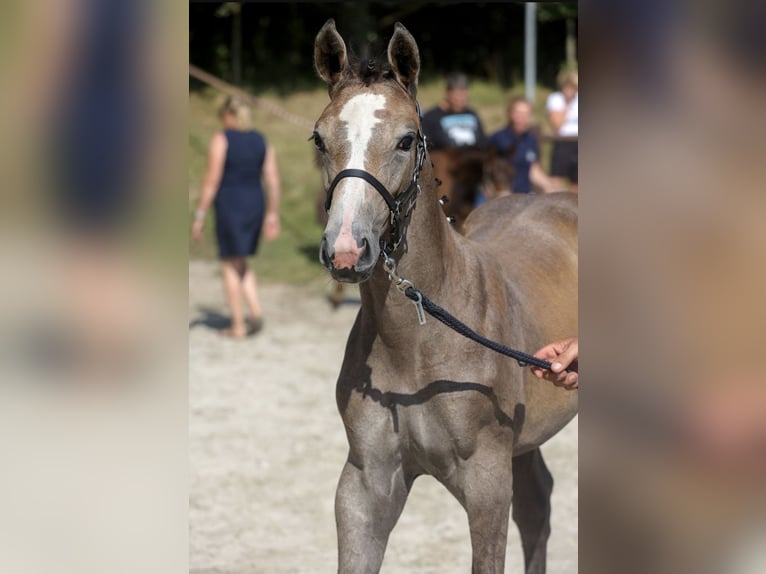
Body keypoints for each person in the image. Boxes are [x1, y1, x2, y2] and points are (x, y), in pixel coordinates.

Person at [192, 96, 281, 339]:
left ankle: (238, 326)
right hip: (255, 204)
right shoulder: (261, 140)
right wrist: (272, 214)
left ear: (228, 115)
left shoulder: (222, 139)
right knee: (240, 261)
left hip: (231, 205)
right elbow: (272, 180)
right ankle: (255, 312)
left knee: (229, 264)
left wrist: (199, 214)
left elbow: (211, 180)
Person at [486, 95, 558, 196]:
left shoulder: (531, 139)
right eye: (519, 113)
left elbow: (533, 170)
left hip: (526, 196)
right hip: (503, 197)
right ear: (510, 114)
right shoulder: (498, 139)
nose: (523, 118)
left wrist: (549, 185)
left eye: (526, 114)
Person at [421, 71, 487, 150]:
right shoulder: (431, 117)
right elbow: (426, 147)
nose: (462, 99)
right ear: (448, 93)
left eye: (465, 95)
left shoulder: (472, 114)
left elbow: (483, 143)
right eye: (458, 95)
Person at [546, 69, 579, 193]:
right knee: (556, 179)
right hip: (563, 141)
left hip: (579, 141)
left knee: (578, 181)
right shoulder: (556, 99)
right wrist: (567, 102)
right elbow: (557, 125)